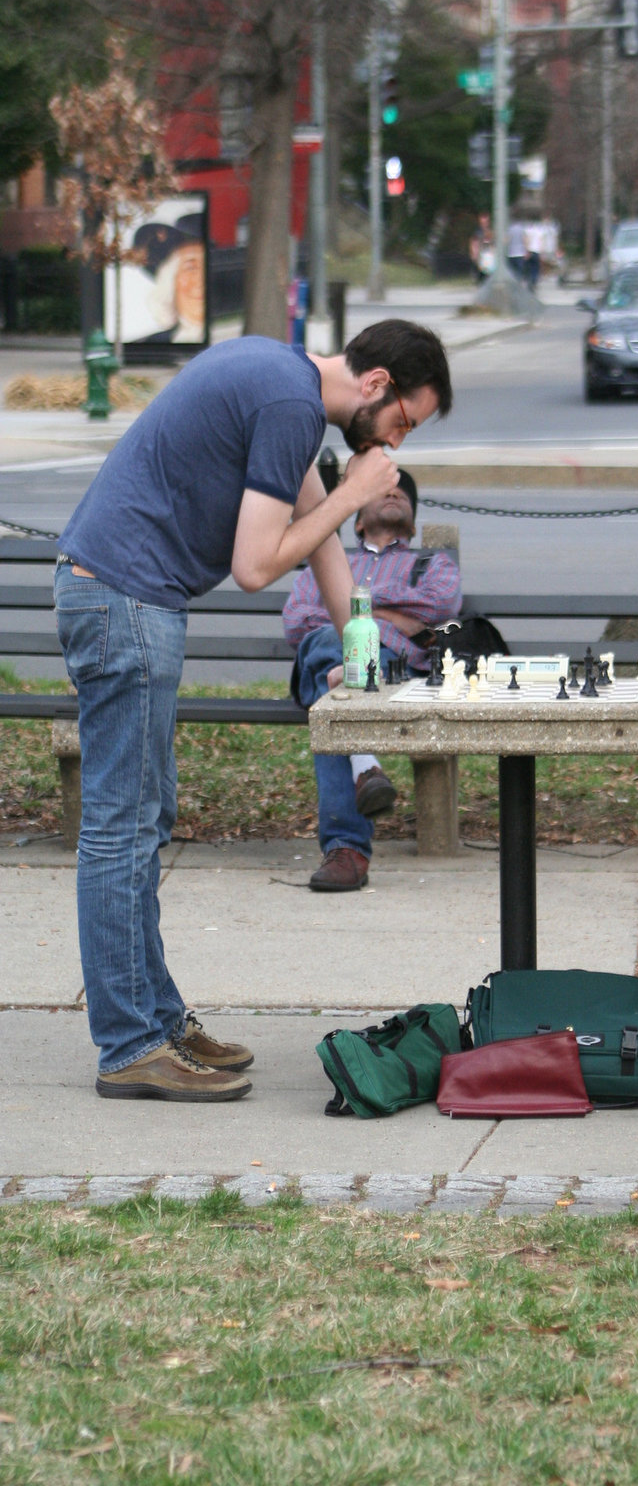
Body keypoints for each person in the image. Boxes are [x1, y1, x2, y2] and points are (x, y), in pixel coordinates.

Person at [54, 320, 452, 1102]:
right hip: (123, 600)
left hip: (128, 597)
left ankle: (157, 1020)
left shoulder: (286, 382)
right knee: (121, 828)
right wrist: (354, 491)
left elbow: (322, 547)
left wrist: (361, 662)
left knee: (144, 820)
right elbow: (254, 565)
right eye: (404, 421)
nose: (396, 444)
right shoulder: (287, 401)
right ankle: (130, 1043)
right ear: (376, 387)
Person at [283, 468, 461, 892]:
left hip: (393, 667)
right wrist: (390, 616)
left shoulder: (430, 563)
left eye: (403, 493)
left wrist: (355, 610)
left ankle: (348, 850)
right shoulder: (331, 560)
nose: (395, 493)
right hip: (335, 654)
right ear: (358, 519)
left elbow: (438, 606)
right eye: (384, 490)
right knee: (331, 647)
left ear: (413, 524)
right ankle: (364, 765)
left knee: (333, 689)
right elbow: (296, 619)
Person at [132, 212, 207, 344]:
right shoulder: (151, 345)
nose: (200, 280)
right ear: (170, 282)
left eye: (205, 267)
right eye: (191, 268)